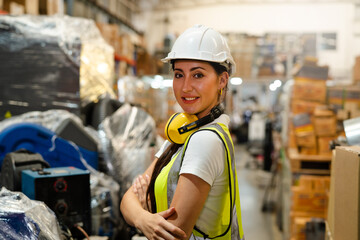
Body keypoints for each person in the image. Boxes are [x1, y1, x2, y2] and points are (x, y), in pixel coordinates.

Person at [120, 25, 245, 240]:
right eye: (179, 74)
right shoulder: (184, 130)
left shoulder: (205, 139)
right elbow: (127, 200)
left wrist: (143, 208)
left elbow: (171, 234)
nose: (185, 87)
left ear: (222, 80)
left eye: (197, 75)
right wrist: (144, 218)